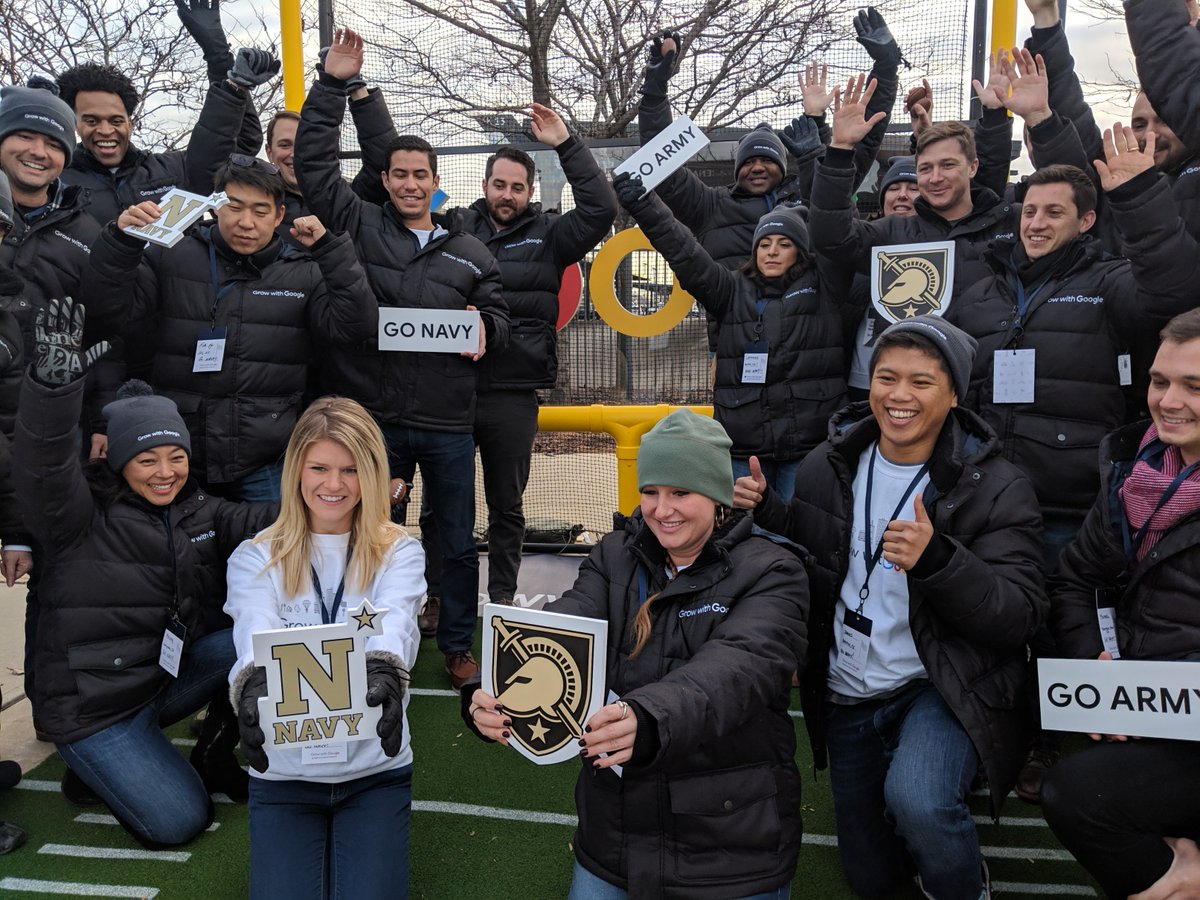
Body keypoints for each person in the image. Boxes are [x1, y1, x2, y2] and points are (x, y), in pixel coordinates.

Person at [735, 316, 1045, 899]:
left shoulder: (996, 484)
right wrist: (773, 513)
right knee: (872, 880)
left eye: (922, 382)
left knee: (919, 800)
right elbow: (823, 542)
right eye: (886, 377)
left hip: (941, 680)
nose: (899, 396)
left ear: (954, 393)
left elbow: (1021, 615)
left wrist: (937, 561)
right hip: (850, 685)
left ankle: (962, 886)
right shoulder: (826, 465)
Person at [465, 408, 809, 899]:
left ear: (716, 495)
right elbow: (563, 628)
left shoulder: (774, 570)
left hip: (732, 841)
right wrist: (487, 688)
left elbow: (736, 671)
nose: (661, 509)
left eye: (680, 492)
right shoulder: (614, 555)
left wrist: (648, 717)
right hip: (617, 834)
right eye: (651, 491)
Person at [13, 297, 276, 847]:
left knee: (257, 639)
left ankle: (204, 753)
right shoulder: (76, 516)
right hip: (92, 708)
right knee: (181, 821)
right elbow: (42, 465)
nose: (165, 472)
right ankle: (96, 765)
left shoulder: (193, 505)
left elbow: (266, 517)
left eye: (175, 456)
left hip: (153, 682)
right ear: (118, 462)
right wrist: (53, 390)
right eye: (147, 459)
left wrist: (347, 493)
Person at [295, 27, 509, 689]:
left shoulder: (471, 252)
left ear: (437, 183)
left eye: (422, 175)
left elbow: (501, 317)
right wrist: (332, 85)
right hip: (374, 419)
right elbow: (313, 168)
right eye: (400, 173)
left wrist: (488, 329)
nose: (411, 183)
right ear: (384, 180)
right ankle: (359, 638)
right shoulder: (357, 223)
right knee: (361, 533)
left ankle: (455, 645)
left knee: (454, 542)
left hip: (447, 421)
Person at [411, 104, 617, 628]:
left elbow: (599, 210)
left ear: (530, 191)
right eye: (499, 185)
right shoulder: (454, 226)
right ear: (485, 185)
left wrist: (566, 144)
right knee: (438, 508)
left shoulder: (551, 234)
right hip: (451, 389)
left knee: (507, 506)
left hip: (513, 392)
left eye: (517, 187)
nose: (507, 195)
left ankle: (502, 598)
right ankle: (437, 597)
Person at [86, 156, 375, 502]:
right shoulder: (171, 256)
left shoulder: (304, 272)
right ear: (214, 204)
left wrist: (332, 251)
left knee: (267, 554)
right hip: (179, 452)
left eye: (260, 210)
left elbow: (356, 328)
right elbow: (108, 315)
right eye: (234, 207)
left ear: (279, 215)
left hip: (265, 459)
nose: (246, 222)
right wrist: (121, 243)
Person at [225, 396, 423, 899]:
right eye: (319, 467)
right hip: (283, 777)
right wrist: (252, 682)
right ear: (296, 469)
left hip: (375, 772)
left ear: (373, 473)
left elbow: (395, 620)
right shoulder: (254, 556)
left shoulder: (401, 550)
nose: (334, 485)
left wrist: (385, 668)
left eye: (351, 470)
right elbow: (254, 628)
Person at [1041, 308, 1200, 900]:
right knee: (1080, 795)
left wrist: (1161, 686)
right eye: (1161, 381)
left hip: (1180, 717)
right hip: (1145, 717)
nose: (1169, 400)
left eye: (1194, 385)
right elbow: (1074, 580)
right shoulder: (1130, 470)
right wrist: (1097, 667)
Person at [613, 173, 849, 498]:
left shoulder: (823, 286)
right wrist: (644, 205)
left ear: (801, 250)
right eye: (764, 244)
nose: (772, 252)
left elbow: (837, 226)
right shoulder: (731, 289)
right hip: (746, 443)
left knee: (804, 528)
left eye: (784, 244)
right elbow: (684, 251)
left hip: (808, 442)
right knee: (749, 532)